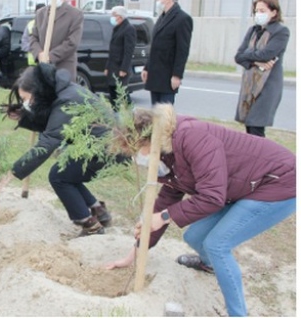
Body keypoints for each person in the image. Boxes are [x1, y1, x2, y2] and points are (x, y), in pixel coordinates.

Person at [107, 103, 296, 317]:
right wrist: (133, 254)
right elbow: (166, 199)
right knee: (194, 236)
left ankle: (238, 314)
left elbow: (212, 197)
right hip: (239, 186)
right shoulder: (166, 154)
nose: (135, 156)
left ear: (146, 138)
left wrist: (165, 217)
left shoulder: (191, 138)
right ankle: (210, 265)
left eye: (134, 150)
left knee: (217, 244)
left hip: (277, 182)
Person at [0, 64, 127, 237]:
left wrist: (11, 173)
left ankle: (90, 225)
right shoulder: (63, 91)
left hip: (110, 149)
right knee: (68, 172)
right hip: (106, 144)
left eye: (28, 99)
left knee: (59, 176)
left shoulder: (65, 100)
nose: (26, 104)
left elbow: (47, 143)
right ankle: (98, 211)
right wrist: (24, 116)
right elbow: (53, 123)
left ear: (39, 91)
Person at [234, 0, 290, 138]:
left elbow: (267, 55)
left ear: (273, 12)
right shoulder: (253, 30)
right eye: (256, 11)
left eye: (262, 11)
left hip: (266, 85)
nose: (258, 14)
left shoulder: (281, 31)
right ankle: (254, 158)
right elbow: (238, 56)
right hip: (250, 85)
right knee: (249, 126)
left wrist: (249, 57)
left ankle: (261, 159)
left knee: (256, 126)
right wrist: (255, 61)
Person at [141, 0, 193, 105]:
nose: (158, 0)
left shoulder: (182, 19)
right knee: (155, 113)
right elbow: (155, 46)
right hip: (155, 73)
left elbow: (182, 50)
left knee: (164, 114)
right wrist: (147, 67)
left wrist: (177, 75)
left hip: (167, 74)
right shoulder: (162, 17)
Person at [29, 0, 84, 79]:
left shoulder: (75, 14)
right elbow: (33, 37)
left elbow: (72, 42)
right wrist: (39, 53)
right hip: (44, 69)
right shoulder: (40, 13)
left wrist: (50, 56)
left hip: (64, 68)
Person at [104, 6, 136, 109]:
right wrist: (107, 67)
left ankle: (133, 115)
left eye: (114, 15)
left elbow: (128, 51)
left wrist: (124, 69)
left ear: (120, 16)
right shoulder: (117, 28)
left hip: (120, 68)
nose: (112, 18)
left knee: (122, 93)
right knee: (112, 92)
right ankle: (115, 115)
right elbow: (112, 50)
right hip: (113, 67)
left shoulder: (129, 29)